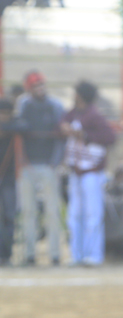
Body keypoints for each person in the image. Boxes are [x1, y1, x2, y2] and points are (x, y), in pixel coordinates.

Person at [61, 80, 116, 266]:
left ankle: (94, 255)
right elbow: (61, 121)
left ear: (81, 95)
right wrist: (64, 127)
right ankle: (76, 255)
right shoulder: (73, 113)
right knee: (74, 214)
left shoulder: (95, 115)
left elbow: (110, 137)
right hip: (75, 171)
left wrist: (85, 136)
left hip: (92, 172)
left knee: (93, 214)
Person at [13, 70, 65, 265]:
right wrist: (22, 160)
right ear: (29, 89)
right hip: (27, 166)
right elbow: (18, 131)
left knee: (52, 211)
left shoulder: (55, 106)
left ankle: (55, 254)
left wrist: (55, 162)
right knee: (28, 212)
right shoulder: (24, 105)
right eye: (35, 86)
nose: (40, 88)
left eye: (41, 84)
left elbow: (60, 135)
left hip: (48, 165)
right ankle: (29, 254)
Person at [0, 98, 16, 266]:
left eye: (7, 113)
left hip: (9, 180)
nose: (4, 116)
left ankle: (6, 255)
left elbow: (23, 126)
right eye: (2, 113)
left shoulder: (14, 126)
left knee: (9, 217)